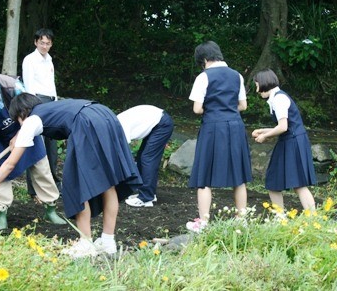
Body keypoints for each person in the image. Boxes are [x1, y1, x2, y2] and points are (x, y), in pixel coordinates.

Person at [0, 94, 142, 258]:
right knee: (108, 182)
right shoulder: (54, 107)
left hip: (86, 123)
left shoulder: (31, 120)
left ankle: (85, 244)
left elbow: (9, 164)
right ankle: (107, 242)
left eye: (17, 120)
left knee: (77, 183)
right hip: (105, 115)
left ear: (22, 114)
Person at [0, 69, 66, 229]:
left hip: (25, 127)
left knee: (42, 169)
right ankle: (1, 215)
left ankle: (50, 209)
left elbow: (33, 111)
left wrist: (20, 133)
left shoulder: (12, 87)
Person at [186, 41, 252, 233]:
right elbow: (243, 106)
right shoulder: (237, 75)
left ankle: (204, 223)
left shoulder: (203, 77)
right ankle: (242, 220)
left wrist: (214, 110)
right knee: (238, 176)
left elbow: (197, 109)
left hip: (213, 127)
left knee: (204, 175)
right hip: (235, 126)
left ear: (205, 59)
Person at [252, 69, 316, 211]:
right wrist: (264, 130)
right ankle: (281, 219)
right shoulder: (276, 97)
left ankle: (313, 220)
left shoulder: (279, 99)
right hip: (290, 140)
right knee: (274, 181)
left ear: (264, 83)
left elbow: (283, 127)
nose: (257, 90)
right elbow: (285, 126)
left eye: (257, 85)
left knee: (298, 184)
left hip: (293, 142)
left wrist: (265, 136)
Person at [22, 28, 61, 189]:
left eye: (48, 43)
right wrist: (32, 107)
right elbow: (29, 85)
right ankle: (34, 187)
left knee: (51, 144)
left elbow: (51, 84)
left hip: (51, 102)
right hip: (38, 101)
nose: (45, 46)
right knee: (37, 143)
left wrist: (56, 101)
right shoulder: (30, 60)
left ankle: (53, 182)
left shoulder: (49, 60)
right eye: (42, 43)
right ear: (36, 42)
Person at [117, 105, 174, 207]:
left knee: (147, 159)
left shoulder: (119, 127)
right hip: (157, 122)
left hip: (162, 124)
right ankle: (150, 193)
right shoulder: (115, 123)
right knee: (142, 157)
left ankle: (146, 198)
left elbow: (122, 154)